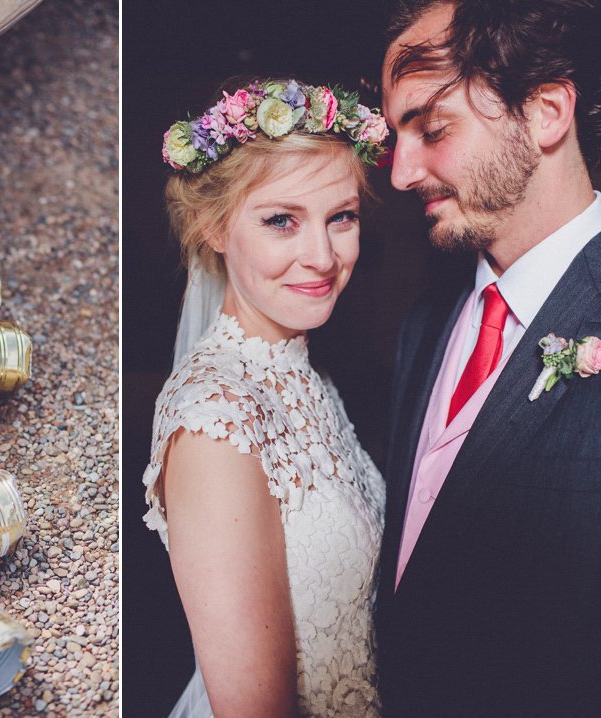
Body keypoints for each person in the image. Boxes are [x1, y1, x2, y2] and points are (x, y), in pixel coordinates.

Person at [375, 1, 601, 715]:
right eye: (395, 137)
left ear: (544, 112)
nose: (402, 173)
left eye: (432, 128)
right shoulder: (424, 326)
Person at [142, 77, 390, 718]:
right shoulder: (214, 424)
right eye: (282, 220)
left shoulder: (304, 372)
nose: (322, 256)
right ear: (213, 228)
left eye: (342, 218)